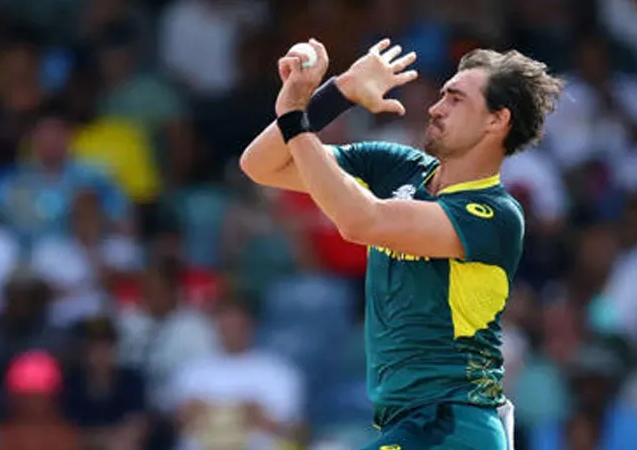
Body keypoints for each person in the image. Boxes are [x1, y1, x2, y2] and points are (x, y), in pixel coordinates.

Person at [240, 38, 562, 450]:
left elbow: (362, 221)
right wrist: (338, 93)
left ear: (496, 120)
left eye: (455, 99)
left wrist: (294, 115)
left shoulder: (495, 213)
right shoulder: (397, 167)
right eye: (442, 95)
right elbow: (261, 165)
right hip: (412, 424)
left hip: (453, 423)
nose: (435, 108)